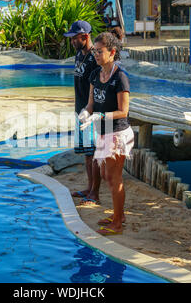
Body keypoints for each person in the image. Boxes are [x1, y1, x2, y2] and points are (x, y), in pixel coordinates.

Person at [79, 32, 134, 235]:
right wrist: (86, 113)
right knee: (104, 174)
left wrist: (99, 117)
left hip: (117, 132)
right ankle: (118, 215)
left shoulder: (120, 78)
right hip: (102, 132)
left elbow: (123, 111)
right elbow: (91, 104)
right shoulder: (95, 74)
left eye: (99, 51)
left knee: (113, 178)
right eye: (94, 51)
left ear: (112, 52)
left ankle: (118, 223)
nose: (95, 55)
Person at [63, 21, 101, 205]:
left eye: (75, 38)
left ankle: (95, 192)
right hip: (80, 110)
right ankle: (89, 187)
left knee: (94, 152)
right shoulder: (79, 55)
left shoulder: (96, 58)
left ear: (85, 37)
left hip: (91, 111)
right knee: (87, 153)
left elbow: (99, 87)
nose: (72, 42)